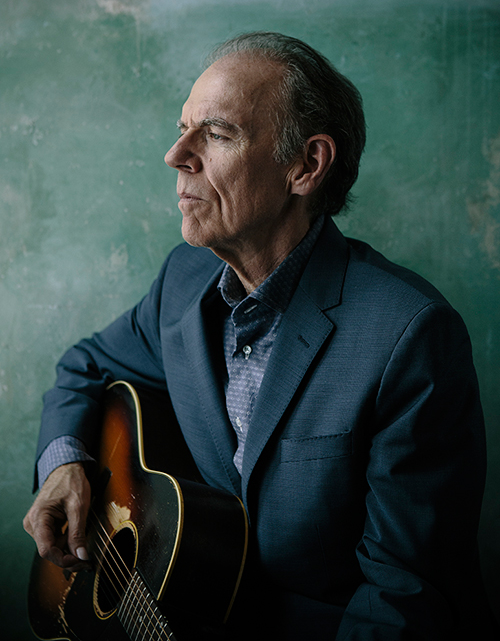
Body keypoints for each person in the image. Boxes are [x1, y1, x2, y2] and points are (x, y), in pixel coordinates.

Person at [23, 32, 497, 640]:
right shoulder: (184, 278)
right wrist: (65, 463)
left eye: (216, 134)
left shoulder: (411, 335)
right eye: (182, 127)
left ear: (306, 165)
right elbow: (86, 367)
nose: (175, 155)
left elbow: (403, 600)